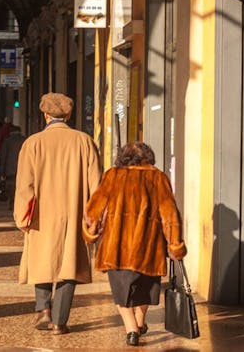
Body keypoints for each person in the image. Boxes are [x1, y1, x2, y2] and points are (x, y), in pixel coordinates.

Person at [82, 141, 187, 347]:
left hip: (117, 247)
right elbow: (170, 214)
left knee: (121, 291)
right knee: (147, 289)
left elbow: (93, 209)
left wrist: (91, 232)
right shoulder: (158, 177)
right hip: (149, 247)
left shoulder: (112, 175)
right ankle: (139, 322)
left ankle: (132, 329)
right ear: (149, 157)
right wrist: (175, 244)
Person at [13, 93, 101, 335]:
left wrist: (22, 217)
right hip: (75, 214)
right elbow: (97, 185)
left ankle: (43, 310)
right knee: (69, 264)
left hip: (42, 215)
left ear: (45, 115)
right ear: (69, 115)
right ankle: (60, 321)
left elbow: (24, 186)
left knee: (43, 260)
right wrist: (94, 217)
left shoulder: (33, 143)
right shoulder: (85, 141)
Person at [0, 124, 25, 210]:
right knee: (21, 187)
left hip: (10, 169)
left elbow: (3, 157)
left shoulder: (7, 141)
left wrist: (2, 172)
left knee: (11, 187)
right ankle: (19, 203)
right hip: (23, 169)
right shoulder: (25, 140)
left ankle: (12, 202)